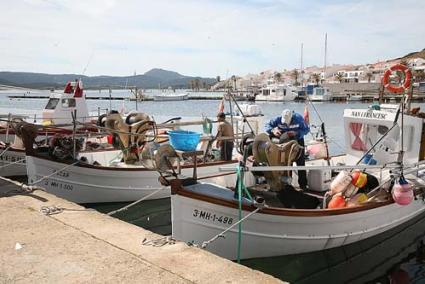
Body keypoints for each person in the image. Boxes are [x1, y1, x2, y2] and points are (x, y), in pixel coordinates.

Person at [265, 109, 310, 190]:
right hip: (284, 141)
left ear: (292, 118)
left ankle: (303, 185)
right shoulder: (277, 119)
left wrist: (297, 133)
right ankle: (288, 185)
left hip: (297, 140)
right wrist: (273, 130)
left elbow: (306, 129)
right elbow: (267, 125)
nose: (285, 123)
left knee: (301, 162)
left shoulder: (298, 119)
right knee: (287, 162)